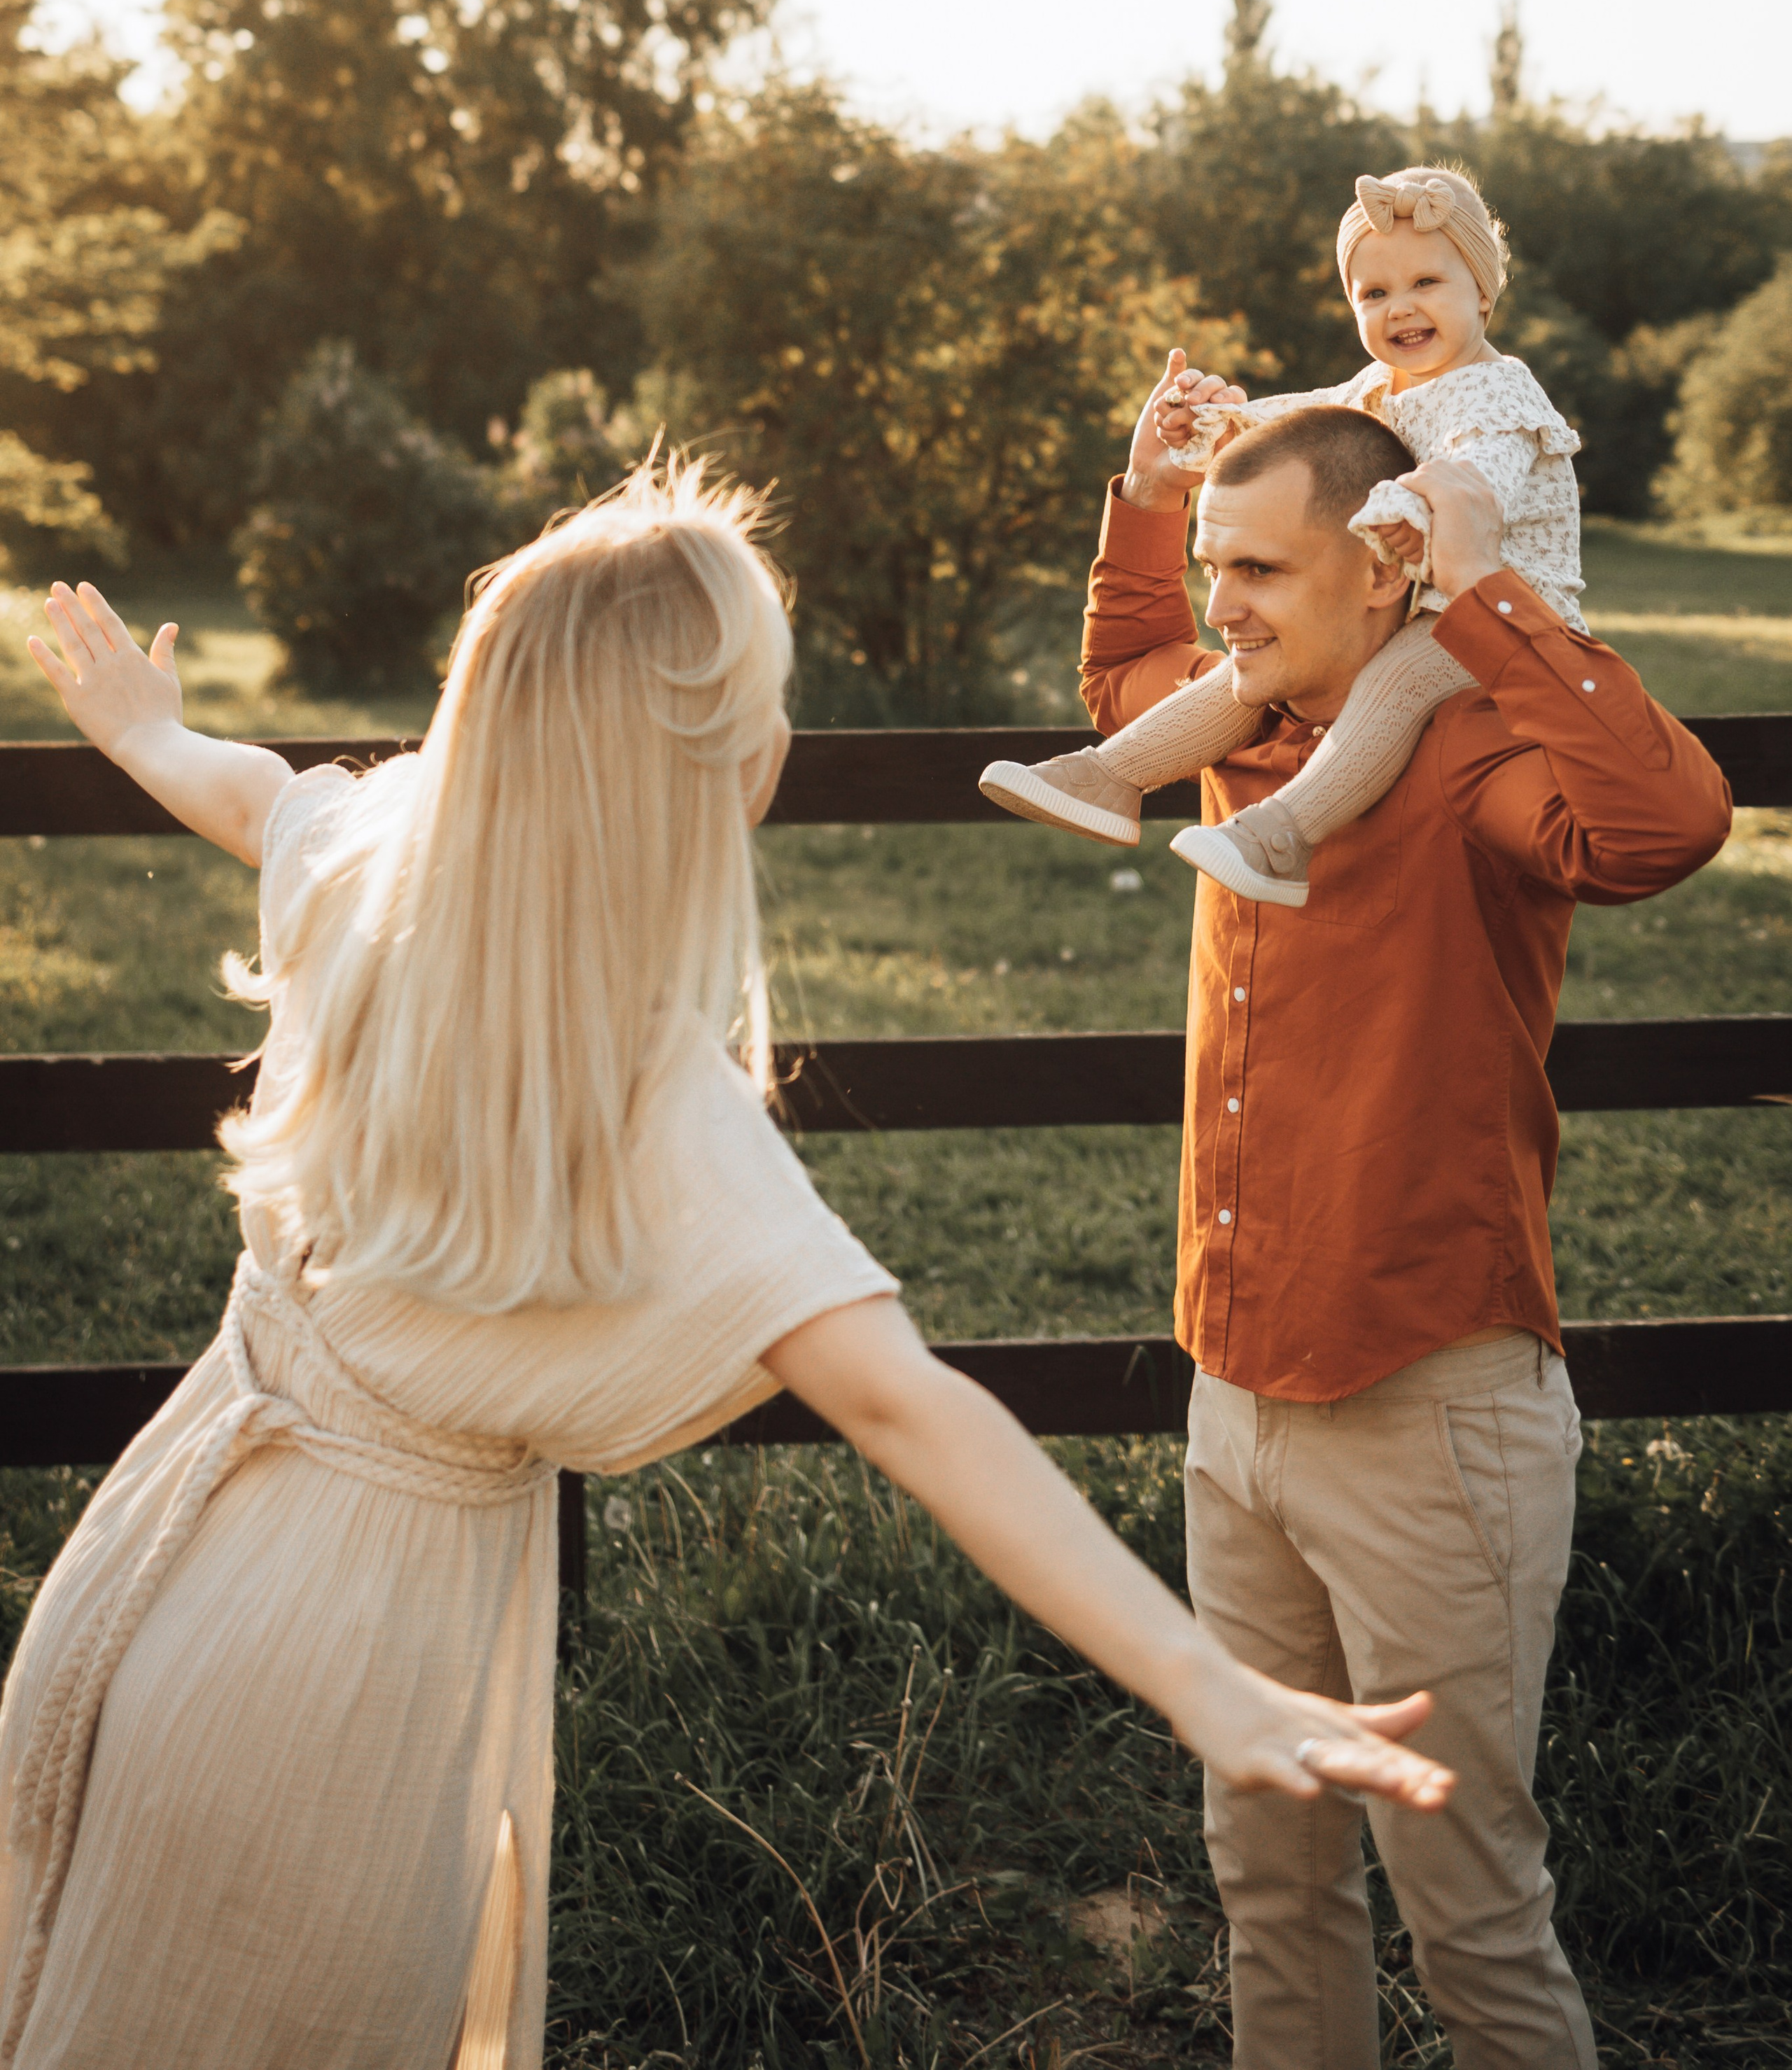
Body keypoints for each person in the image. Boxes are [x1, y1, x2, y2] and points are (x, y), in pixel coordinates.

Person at [0, 465, 1451, 2070]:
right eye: (767, 700)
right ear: (712, 766)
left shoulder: (367, 863)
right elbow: (910, 1408)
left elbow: (248, 788)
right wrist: (1201, 1680)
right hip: (346, 1676)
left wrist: (138, 725)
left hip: (147, 1590)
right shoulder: (651, 1097)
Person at [1053, 382, 1730, 2067]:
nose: (1226, 603)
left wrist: (1489, 589)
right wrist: (1145, 504)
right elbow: (1120, 683)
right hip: (1234, 1402)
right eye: (1217, 565)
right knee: (1266, 1883)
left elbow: (1667, 826)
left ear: (1379, 569)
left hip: (1429, 1413)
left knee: (1470, 1914)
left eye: (1260, 569)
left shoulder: (1470, 760)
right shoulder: (1241, 724)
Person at [980, 165, 1586, 908]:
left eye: (1427, 283)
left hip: (1494, 612)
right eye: (1375, 293)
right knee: (1256, 678)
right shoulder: (1376, 387)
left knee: (1393, 685)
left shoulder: (1496, 393)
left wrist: (1410, 508)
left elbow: (1475, 479)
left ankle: (1281, 837)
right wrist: (1210, 424)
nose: (1401, 308)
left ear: (1483, 292)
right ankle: (1107, 777)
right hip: (1410, 597)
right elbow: (1294, 423)